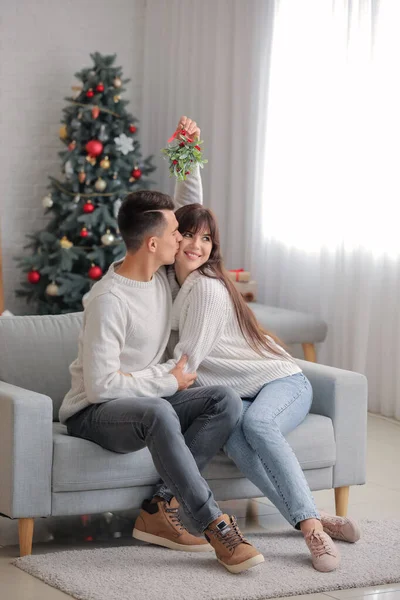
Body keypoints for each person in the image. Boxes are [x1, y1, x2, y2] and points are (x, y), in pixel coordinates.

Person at [58, 117, 264, 575]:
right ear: (154, 243)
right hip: (94, 414)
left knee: (224, 400)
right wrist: (165, 380)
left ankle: (159, 509)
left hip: (145, 399)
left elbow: (189, 206)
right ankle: (215, 525)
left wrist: (189, 151)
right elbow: (99, 387)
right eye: (176, 234)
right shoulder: (109, 300)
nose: (185, 239)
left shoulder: (159, 278)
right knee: (159, 409)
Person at [162, 197, 361, 573]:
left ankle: (312, 531)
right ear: (172, 239)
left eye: (206, 239)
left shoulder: (205, 288)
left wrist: (141, 388)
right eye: (187, 235)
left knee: (257, 425)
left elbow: (188, 360)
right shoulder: (177, 287)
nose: (196, 245)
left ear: (213, 248)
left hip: (283, 381)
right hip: (245, 392)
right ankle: (314, 515)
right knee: (236, 441)